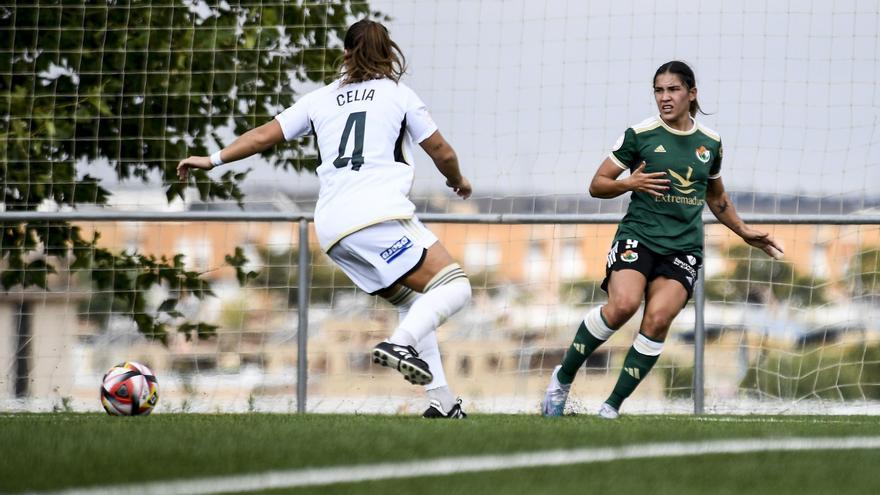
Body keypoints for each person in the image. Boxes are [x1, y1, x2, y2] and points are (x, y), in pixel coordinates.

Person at [177, 19, 473, 419]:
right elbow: (441, 151)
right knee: (456, 287)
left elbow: (265, 134)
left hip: (333, 228)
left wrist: (211, 160)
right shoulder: (399, 95)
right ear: (389, 52)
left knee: (409, 301)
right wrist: (457, 182)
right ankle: (399, 344)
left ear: (346, 53)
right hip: (378, 215)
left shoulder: (320, 99)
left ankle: (443, 401)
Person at [541, 60, 783, 419]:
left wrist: (744, 231)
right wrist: (629, 183)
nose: (665, 98)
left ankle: (610, 408)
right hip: (638, 236)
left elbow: (717, 198)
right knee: (623, 305)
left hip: (683, 248)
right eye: (659, 90)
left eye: (673, 90)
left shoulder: (710, 143)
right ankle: (561, 381)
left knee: (656, 320)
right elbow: (597, 185)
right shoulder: (639, 135)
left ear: (692, 94)